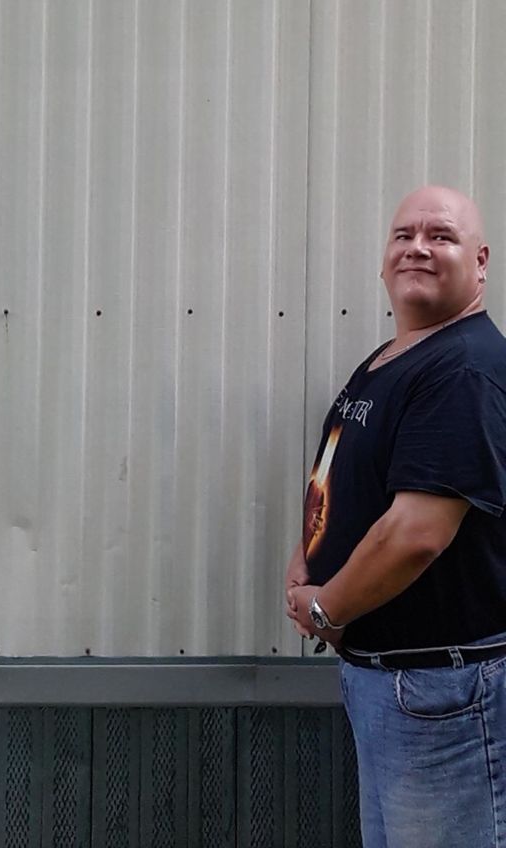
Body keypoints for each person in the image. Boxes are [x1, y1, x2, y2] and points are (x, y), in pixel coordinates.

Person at [286, 185, 506, 848]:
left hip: (441, 691)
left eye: (441, 236)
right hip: (391, 679)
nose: (417, 247)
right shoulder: (392, 360)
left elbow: (417, 534)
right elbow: (336, 476)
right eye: (403, 235)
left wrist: (325, 608)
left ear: (480, 261)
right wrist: (305, 559)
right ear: (384, 259)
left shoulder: (463, 369)